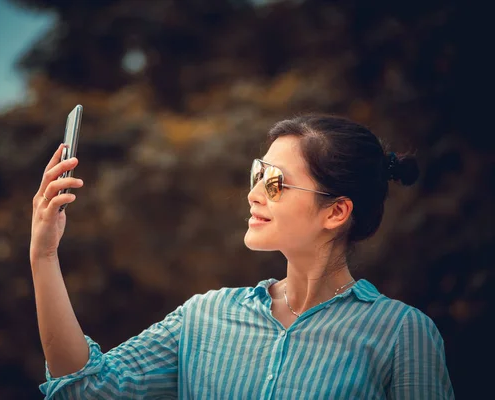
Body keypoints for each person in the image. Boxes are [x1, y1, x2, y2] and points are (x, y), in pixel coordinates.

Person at [30, 114, 454, 399]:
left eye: (274, 183)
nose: (253, 194)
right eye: (257, 174)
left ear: (336, 212)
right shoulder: (204, 316)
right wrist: (45, 256)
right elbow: (84, 390)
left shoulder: (402, 334)